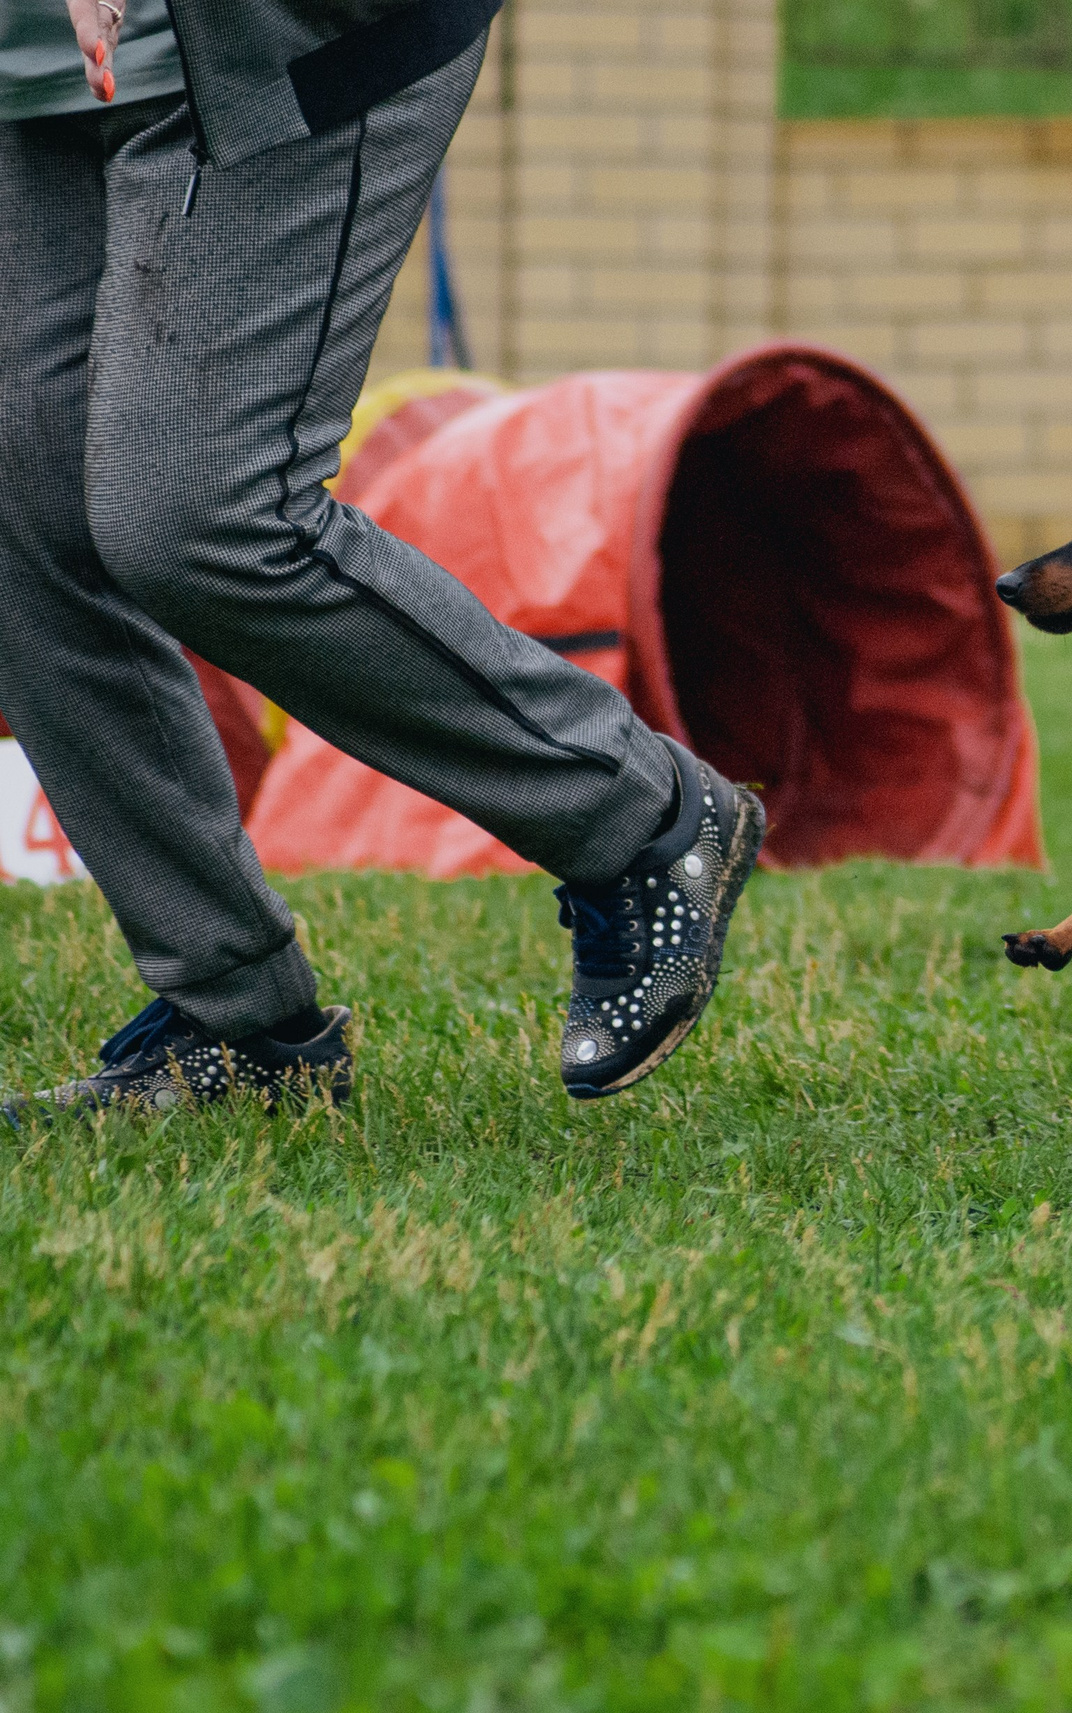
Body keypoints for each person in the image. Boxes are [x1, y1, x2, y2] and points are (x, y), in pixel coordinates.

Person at [0, 0, 763, 1121]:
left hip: (275, 40)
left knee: (205, 516)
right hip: (34, 75)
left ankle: (638, 814)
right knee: (24, 521)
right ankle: (241, 1024)